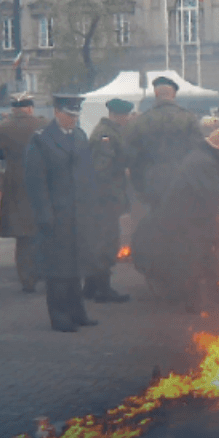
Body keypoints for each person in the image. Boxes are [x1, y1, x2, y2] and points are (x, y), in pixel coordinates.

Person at [132, 126, 219, 312]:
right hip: (186, 220)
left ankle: (214, 292)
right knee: (192, 260)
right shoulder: (203, 162)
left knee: (206, 254)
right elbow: (212, 192)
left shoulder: (201, 157)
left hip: (191, 218)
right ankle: (193, 301)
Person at [24, 95, 99, 332]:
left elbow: (87, 174)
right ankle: (59, 315)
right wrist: (44, 214)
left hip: (78, 212)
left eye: (76, 116)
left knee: (76, 265)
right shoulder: (42, 140)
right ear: (57, 112)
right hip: (56, 213)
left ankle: (77, 311)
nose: (73, 120)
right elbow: (36, 182)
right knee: (58, 268)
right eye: (69, 115)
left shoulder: (80, 136)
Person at [0, 94, 48, 293]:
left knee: (22, 235)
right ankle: (42, 269)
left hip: (14, 181)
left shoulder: (0, 127)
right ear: (30, 108)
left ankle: (27, 278)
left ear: (14, 108)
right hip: (40, 180)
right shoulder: (43, 125)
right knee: (41, 227)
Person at [85, 98, 134, 303]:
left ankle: (91, 287)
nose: (127, 119)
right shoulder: (106, 135)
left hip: (106, 198)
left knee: (101, 241)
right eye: (126, 116)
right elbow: (101, 170)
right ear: (117, 115)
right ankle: (102, 289)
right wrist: (122, 171)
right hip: (105, 199)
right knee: (106, 242)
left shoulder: (110, 131)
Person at [126, 75, 201, 208]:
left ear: (155, 94)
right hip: (182, 183)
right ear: (174, 95)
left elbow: (132, 158)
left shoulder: (141, 121)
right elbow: (198, 154)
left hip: (151, 185)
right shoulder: (189, 118)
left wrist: (139, 188)